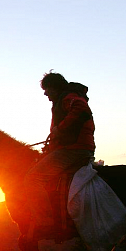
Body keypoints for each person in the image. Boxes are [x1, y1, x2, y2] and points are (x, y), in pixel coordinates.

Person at [23, 72, 95, 239]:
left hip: (73, 149)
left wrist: (60, 129)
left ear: (55, 87)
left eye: (47, 89)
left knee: (33, 178)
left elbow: (82, 110)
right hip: (76, 147)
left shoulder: (68, 97)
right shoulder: (67, 97)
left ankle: (46, 223)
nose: (45, 93)